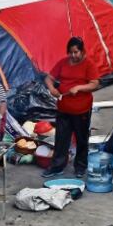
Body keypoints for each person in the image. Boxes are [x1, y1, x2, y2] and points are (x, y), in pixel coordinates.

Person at [43, 37, 99, 179]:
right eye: (71, 52)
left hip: (81, 109)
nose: (73, 55)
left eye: (76, 52)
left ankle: (80, 166)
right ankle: (57, 166)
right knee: (61, 138)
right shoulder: (62, 62)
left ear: (82, 51)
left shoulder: (89, 64)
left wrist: (79, 87)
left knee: (81, 138)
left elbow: (94, 84)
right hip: (63, 108)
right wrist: (51, 89)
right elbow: (48, 78)